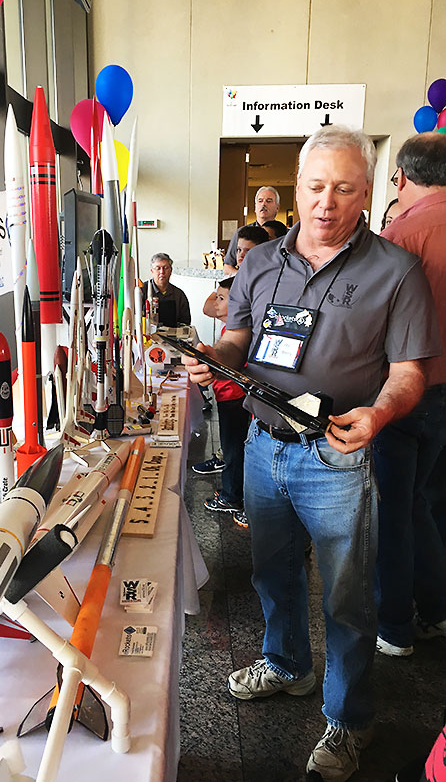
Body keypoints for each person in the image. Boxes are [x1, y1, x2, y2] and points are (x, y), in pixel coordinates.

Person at [182, 125, 440, 781]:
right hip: (264, 445)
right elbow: (238, 338)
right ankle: (288, 664)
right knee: (272, 573)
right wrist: (214, 355)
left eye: (344, 189)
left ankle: (350, 718)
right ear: (296, 188)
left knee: (347, 598)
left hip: (337, 455)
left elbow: (410, 371)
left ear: (368, 192)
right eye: (316, 186)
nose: (327, 202)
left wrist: (380, 411)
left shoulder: (396, 271)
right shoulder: (260, 263)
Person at [373, 132, 446, 658]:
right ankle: (436, 608)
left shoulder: (401, 235)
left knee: (392, 510)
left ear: (400, 178)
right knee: (424, 501)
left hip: (407, 394)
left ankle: (394, 626)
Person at [194, 277, 250, 526]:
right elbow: (208, 308)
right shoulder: (230, 329)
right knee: (231, 447)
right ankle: (233, 490)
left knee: (233, 448)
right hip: (226, 394)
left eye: (222, 298)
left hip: (235, 397)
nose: (215, 303)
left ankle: (231, 496)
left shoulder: (243, 334)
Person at [223, 186, 280, 269]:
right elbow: (227, 266)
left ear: (277, 207)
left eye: (268, 201)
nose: (263, 204)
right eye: (260, 201)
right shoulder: (241, 232)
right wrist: (242, 276)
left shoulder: (284, 234)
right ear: (255, 207)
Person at [142, 252, 191, 326]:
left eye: (165, 268)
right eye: (158, 268)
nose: (162, 272)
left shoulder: (179, 295)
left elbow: (185, 322)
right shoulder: (142, 291)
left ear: (171, 270)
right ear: (152, 271)